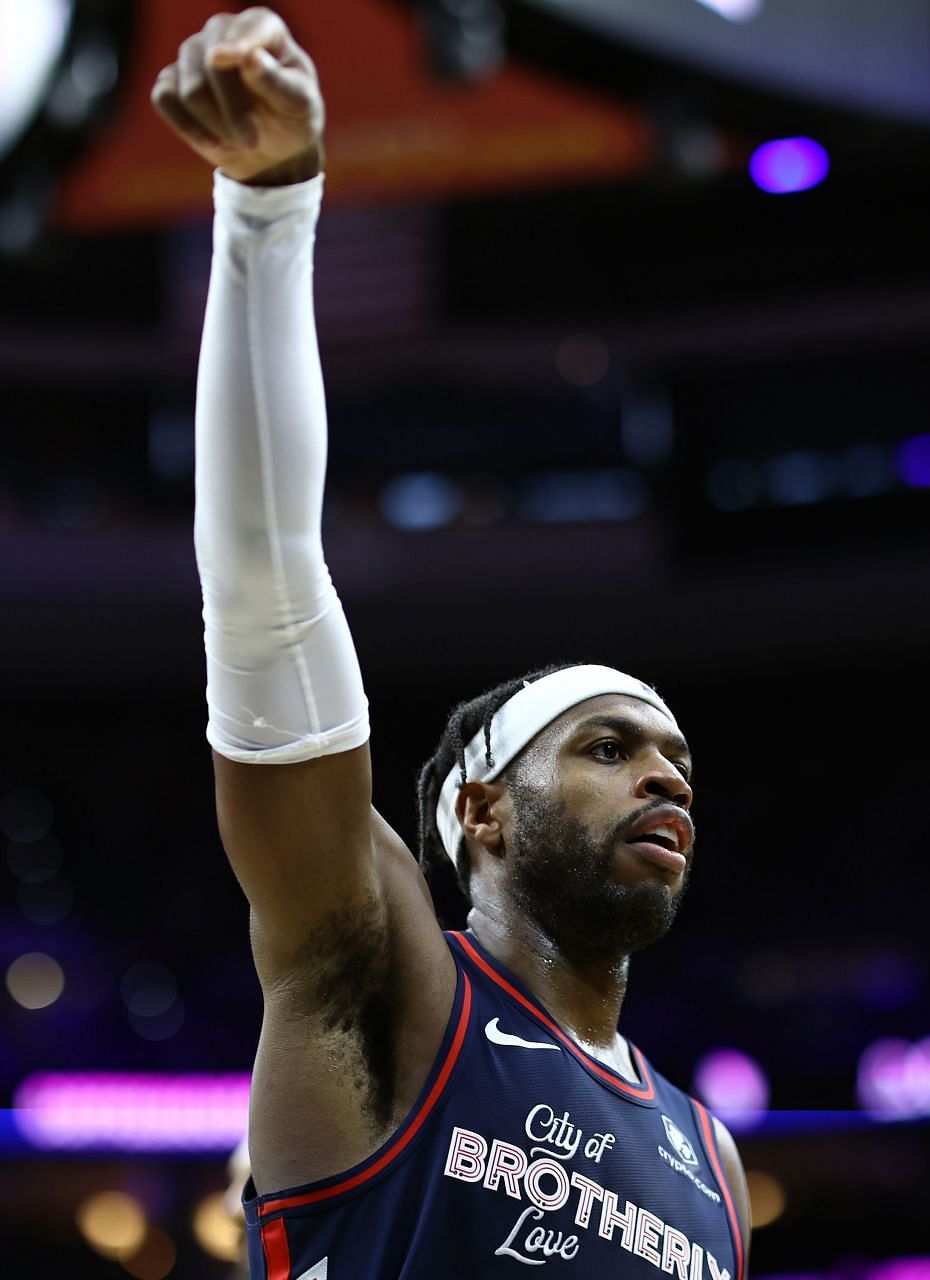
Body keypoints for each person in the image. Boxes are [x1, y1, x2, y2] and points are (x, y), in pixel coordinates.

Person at [152, 9, 750, 1277]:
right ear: (480, 809)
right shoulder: (387, 975)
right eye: (609, 744)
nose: (667, 773)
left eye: (677, 754)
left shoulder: (713, 1155)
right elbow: (265, 586)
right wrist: (267, 213)